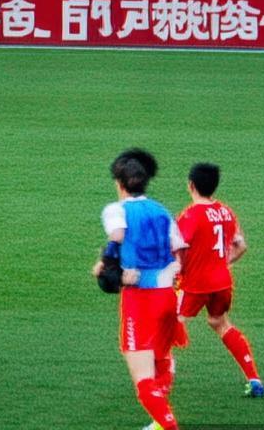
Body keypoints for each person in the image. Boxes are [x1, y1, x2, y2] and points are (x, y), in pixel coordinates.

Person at [92, 149, 186, 430]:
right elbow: (180, 253)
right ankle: (159, 422)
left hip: (140, 299)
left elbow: (117, 235)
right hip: (167, 296)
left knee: (143, 379)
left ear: (119, 184)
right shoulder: (162, 211)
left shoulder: (116, 209)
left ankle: (168, 426)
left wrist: (108, 264)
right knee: (161, 359)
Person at [175, 163, 264, 397]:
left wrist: (175, 272)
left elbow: (178, 249)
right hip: (222, 282)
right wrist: (222, 263)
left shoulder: (191, 215)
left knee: (167, 324)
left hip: (195, 285)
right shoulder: (226, 212)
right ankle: (254, 378)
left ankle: (154, 381)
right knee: (220, 323)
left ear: (191, 185)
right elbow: (241, 246)